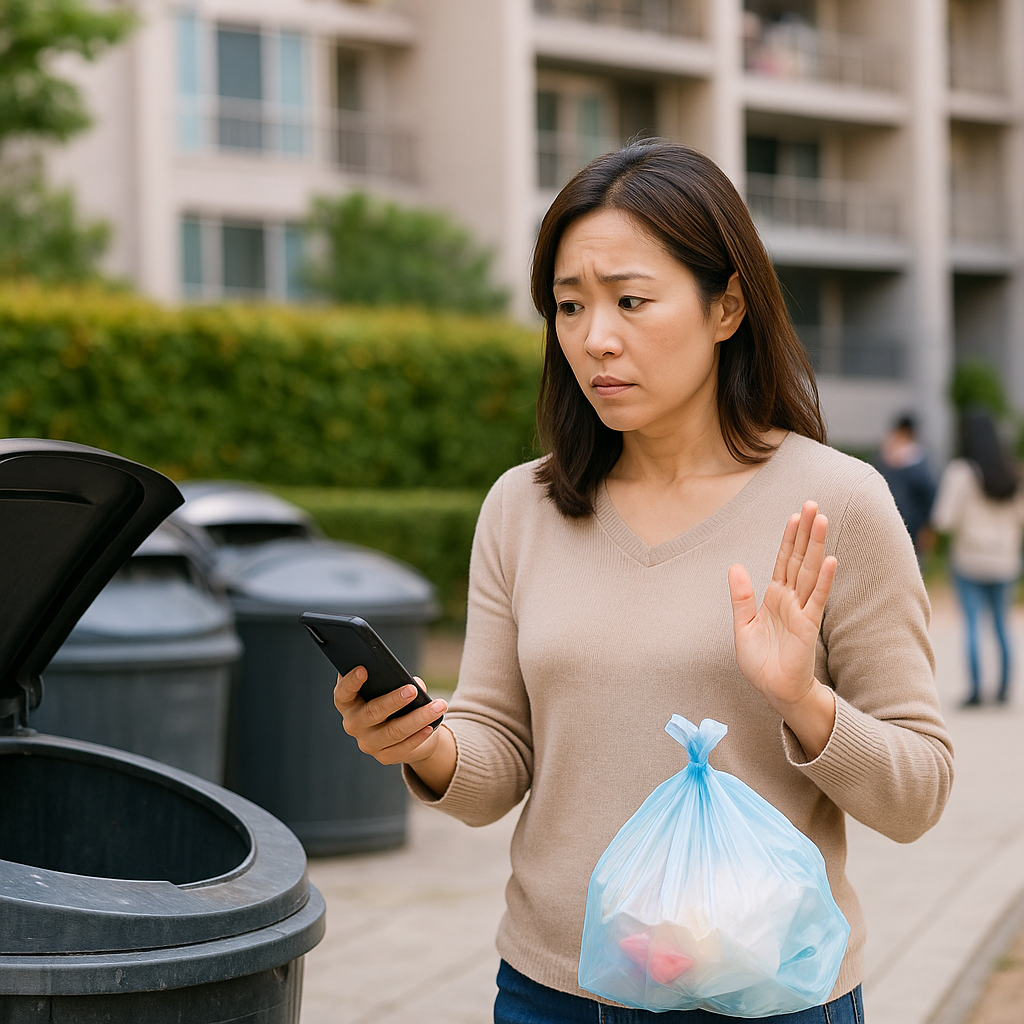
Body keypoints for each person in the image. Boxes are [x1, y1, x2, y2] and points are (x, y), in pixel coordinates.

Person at [334, 141, 953, 1023]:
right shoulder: (523, 507)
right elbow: (497, 764)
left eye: (630, 300)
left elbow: (919, 794)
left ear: (726, 307)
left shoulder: (837, 504)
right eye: (569, 305)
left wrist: (801, 700)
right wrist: (422, 745)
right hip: (555, 991)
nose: (596, 338)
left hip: (769, 992)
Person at [932, 410, 1024, 706]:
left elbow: (944, 519)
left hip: (970, 559)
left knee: (972, 624)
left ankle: (975, 691)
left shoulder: (960, 472)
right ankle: (1003, 689)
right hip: (1005, 560)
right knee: (1001, 625)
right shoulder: (1011, 471)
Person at [876, 413, 937, 558]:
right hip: (890, 525)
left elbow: (929, 498)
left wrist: (927, 527)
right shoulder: (888, 459)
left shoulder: (917, 464)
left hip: (912, 527)